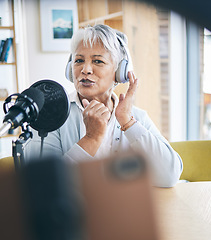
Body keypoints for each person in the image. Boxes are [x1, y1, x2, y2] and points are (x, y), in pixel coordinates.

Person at [25, 24, 182, 187]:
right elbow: (42, 186)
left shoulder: (136, 117)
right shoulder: (49, 115)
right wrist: (91, 139)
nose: (85, 69)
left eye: (98, 61)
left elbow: (169, 176)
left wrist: (128, 123)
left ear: (120, 72)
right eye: (79, 60)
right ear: (70, 69)